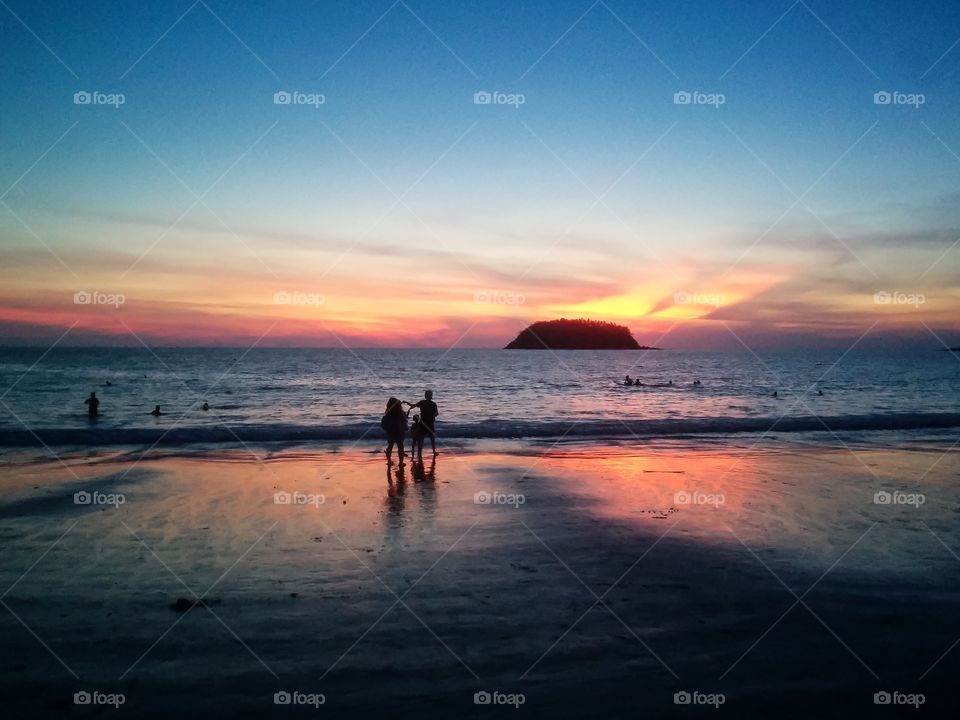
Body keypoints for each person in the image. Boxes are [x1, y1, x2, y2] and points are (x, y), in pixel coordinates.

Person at [405, 390, 439, 455]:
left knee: (421, 438)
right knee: (432, 437)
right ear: (431, 396)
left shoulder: (422, 402)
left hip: (422, 423)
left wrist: (407, 403)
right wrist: (432, 414)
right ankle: (434, 451)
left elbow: (413, 406)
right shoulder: (433, 404)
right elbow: (436, 414)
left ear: (425, 396)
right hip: (430, 423)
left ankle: (419, 451)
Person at [381, 397, 407, 465]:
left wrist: (387, 429)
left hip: (391, 432)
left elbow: (383, 424)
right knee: (400, 447)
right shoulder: (401, 413)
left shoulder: (388, 414)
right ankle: (401, 462)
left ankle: (389, 461)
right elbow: (404, 421)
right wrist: (405, 428)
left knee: (390, 446)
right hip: (399, 432)